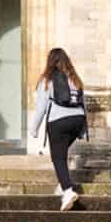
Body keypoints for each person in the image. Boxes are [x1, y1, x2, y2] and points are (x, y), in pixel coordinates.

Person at [29, 46, 88, 212]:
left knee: (58, 158)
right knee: (60, 153)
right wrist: (82, 129)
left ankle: (68, 191)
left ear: (50, 62)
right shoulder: (75, 79)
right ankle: (63, 185)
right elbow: (84, 104)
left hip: (59, 122)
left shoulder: (47, 80)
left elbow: (41, 107)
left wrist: (34, 129)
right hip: (77, 120)